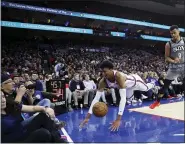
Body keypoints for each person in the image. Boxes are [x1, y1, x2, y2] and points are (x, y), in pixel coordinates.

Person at [80, 60, 155, 131]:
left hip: (136, 81)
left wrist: (118, 119)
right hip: (128, 88)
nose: (103, 74)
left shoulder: (118, 76)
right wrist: (87, 117)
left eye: (105, 71)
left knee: (146, 88)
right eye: (102, 72)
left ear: (111, 69)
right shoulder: (103, 81)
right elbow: (96, 99)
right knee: (129, 100)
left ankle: (153, 83)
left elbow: (122, 98)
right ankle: (132, 125)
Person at [150, 25, 185, 109]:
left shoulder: (184, 40)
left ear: (179, 31)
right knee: (165, 86)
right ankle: (157, 101)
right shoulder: (168, 44)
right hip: (174, 67)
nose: (173, 35)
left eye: (174, 33)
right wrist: (173, 61)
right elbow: (166, 58)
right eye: (171, 33)